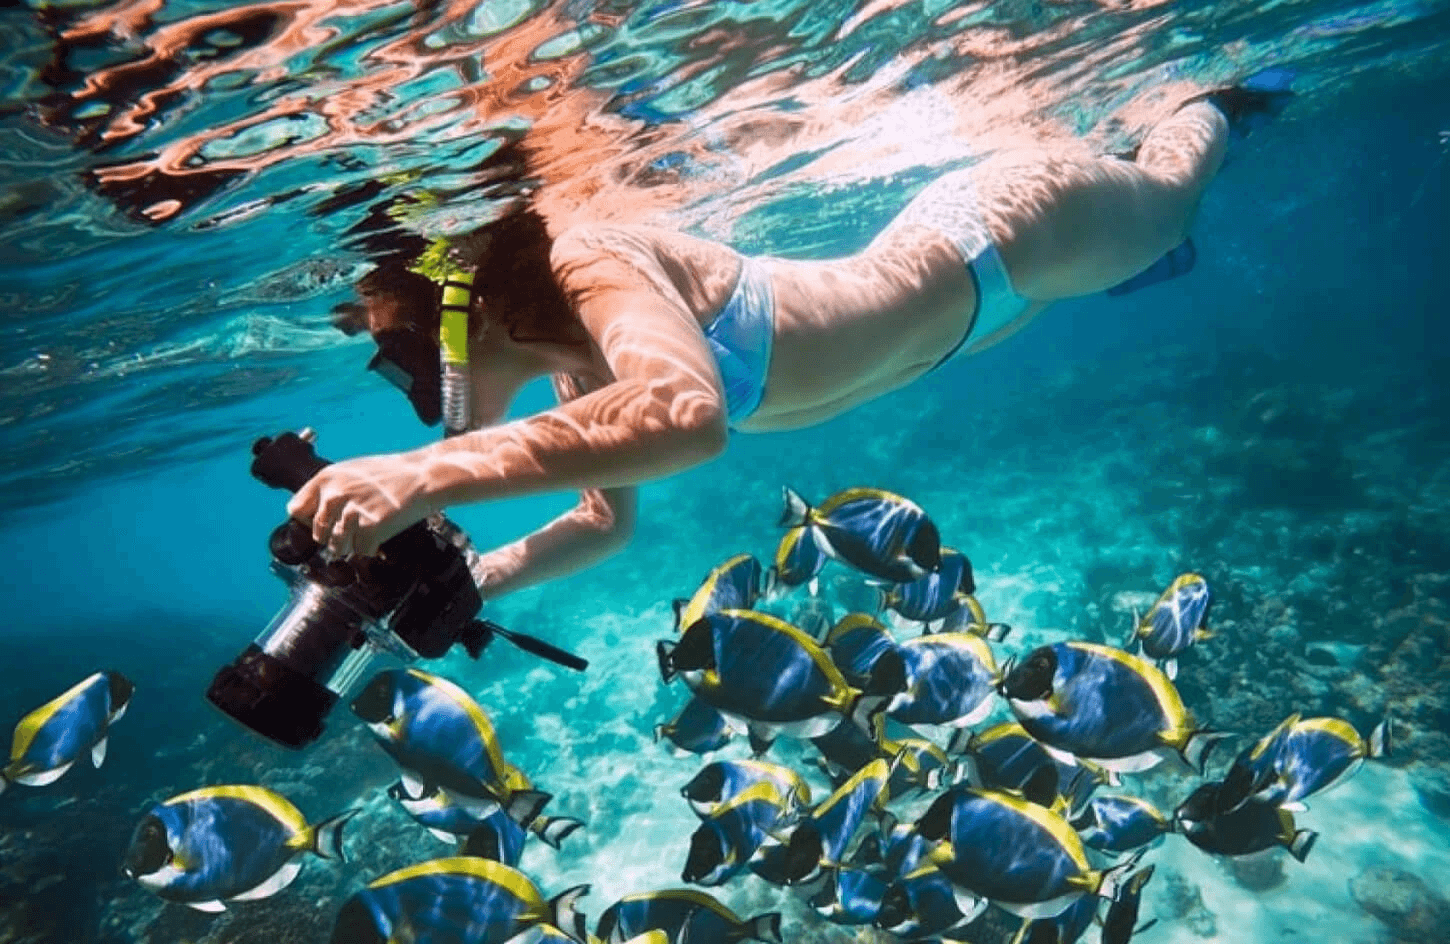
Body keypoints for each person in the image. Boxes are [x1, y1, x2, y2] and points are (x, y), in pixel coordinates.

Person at [287, 76, 1291, 600]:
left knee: (1172, 193)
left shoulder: (589, 254)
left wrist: (427, 474)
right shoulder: (579, 377)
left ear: (458, 305)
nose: (408, 383)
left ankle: (1215, 102)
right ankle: (1130, 242)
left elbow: (687, 414)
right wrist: (476, 578)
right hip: (971, 326)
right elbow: (602, 521)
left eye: (397, 352)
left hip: (1005, 237)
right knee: (1127, 253)